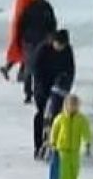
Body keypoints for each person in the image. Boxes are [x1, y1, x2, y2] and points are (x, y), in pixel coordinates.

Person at [30, 30, 74, 160]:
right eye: (58, 45)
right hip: (42, 84)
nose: (60, 48)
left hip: (58, 86)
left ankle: (55, 143)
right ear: (53, 41)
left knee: (58, 116)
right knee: (41, 113)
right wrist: (41, 89)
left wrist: (65, 85)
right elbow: (35, 69)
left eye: (63, 46)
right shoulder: (43, 49)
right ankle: (38, 146)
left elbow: (70, 70)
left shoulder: (67, 51)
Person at [15, 0, 57, 103]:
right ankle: (28, 93)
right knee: (29, 68)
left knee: (42, 68)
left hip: (43, 41)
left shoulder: (47, 7)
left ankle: (41, 91)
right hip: (29, 41)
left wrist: (52, 36)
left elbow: (52, 23)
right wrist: (20, 40)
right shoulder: (28, 7)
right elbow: (21, 24)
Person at [49, 94, 93, 179]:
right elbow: (55, 130)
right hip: (62, 149)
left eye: (75, 105)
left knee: (74, 171)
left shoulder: (81, 119)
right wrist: (52, 142)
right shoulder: (60, 118)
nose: (73, 107)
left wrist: (88, 142)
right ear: (66, 105)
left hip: (74, 150)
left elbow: (86, 131)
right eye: (71, 105)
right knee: (65, 172)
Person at [0, 0, 43, 81]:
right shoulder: (26, 0)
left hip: (21, 28)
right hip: (23, 29)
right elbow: (23, 16)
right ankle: (21, 74)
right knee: (25, 51)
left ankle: (10, 68)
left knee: (20, 51)